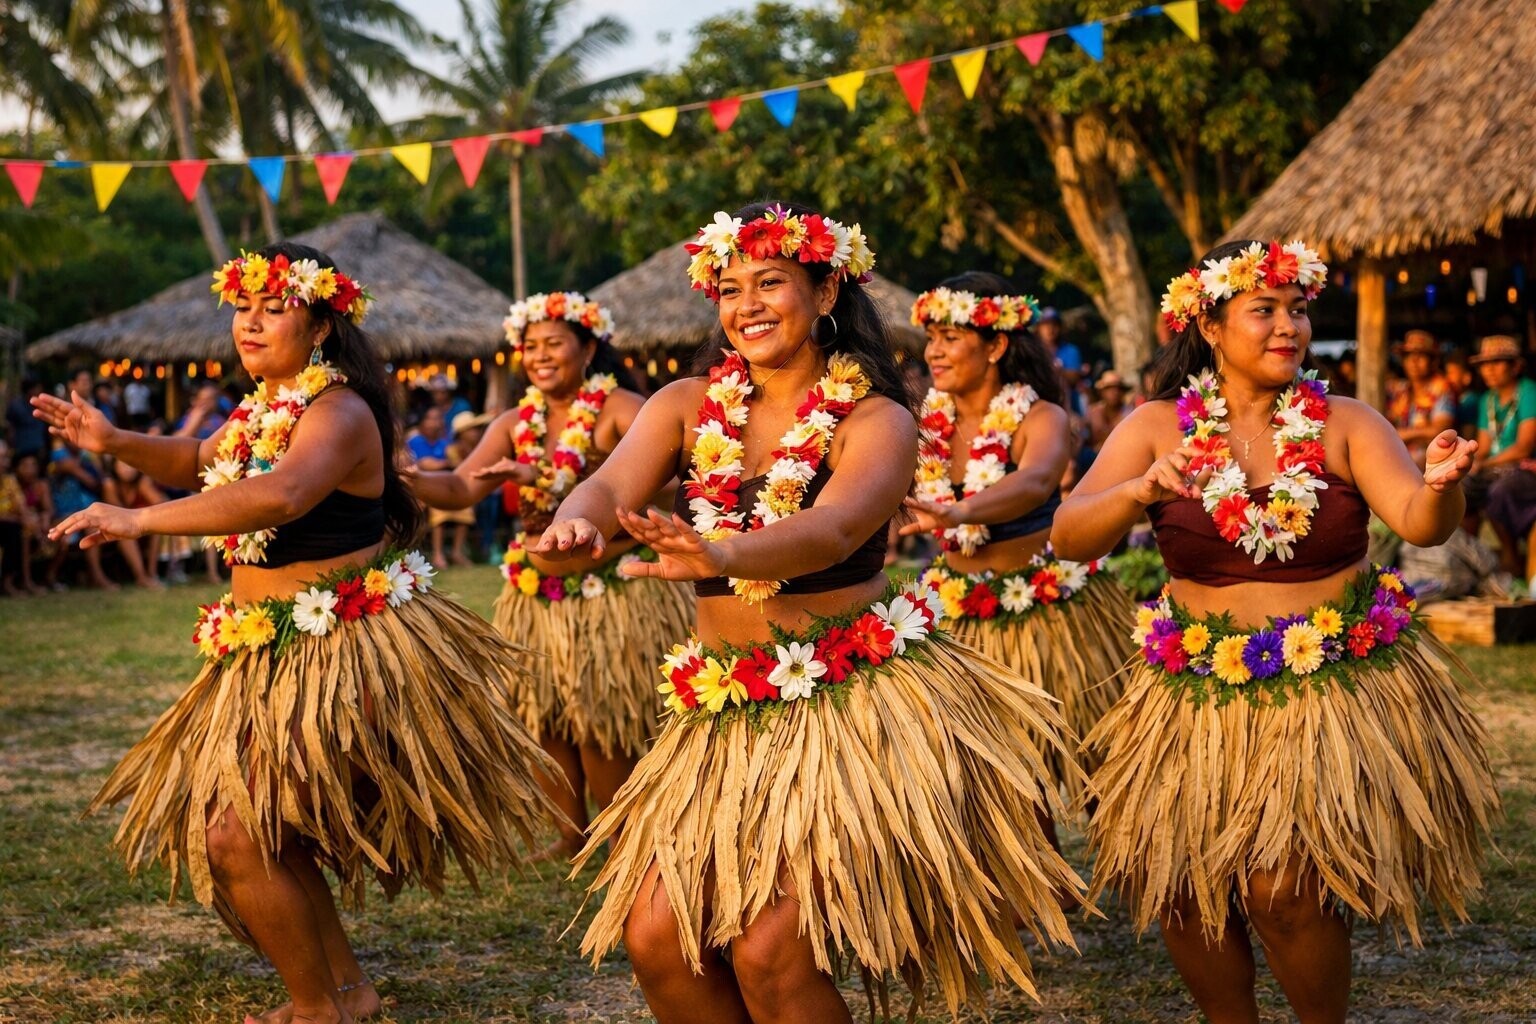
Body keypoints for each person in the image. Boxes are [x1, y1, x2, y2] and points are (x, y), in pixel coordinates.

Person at [544, 202, 1082, 1022]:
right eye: (730, 288)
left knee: (770, 950)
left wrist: (723, 555)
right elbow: (612, 482)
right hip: (723, 710)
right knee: (658, 938)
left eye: (771, 283)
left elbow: (831, 530)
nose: (746, 304)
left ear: (828, 291)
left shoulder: (879, 417)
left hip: (846, 705)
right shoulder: (687, 403)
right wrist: (576, 517)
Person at [34, 243, 558, 1024]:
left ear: (320, 326)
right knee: (261, 833)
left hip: (342, 655)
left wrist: (138, 517)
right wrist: (114, 444)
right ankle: (342, 992)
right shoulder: (261, 409)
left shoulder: (337, 411)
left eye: (274, 307)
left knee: (240, 837)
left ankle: (319, 1007)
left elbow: (282, 494)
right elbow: (195, 457)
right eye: (243, 307)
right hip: (265, 649)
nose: (250, 321)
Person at [1052, 239, 1498, 1024]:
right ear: (1212, 326)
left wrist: (1442, 487)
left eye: (1298, 309)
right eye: (1264, 310)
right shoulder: (1157, 427)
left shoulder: (1346, 423)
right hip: (1192, 695)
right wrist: (1136, 490)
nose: (1288, 326)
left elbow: (1421, 524)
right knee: (1185, 887)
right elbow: (1070, 535)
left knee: (1284, 891)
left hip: (1322, 693)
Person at [410, 290, 693, 864]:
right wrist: (399, 476)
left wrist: (562, 476)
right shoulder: (516, 421)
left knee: (600, 719)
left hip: (611, 590)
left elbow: (674, 482)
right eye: (530, 346)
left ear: (588, 347)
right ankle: (570, 836)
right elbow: (464, 487)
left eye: (554, 344)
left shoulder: (620, 408)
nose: (539, 356)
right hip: (535, 594)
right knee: (547, 717)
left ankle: (622, 840)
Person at [903, 273, 1133, 839]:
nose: (934, 350)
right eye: (930, 336)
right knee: (1002, 768)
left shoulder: (1041, 417)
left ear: (996, 344)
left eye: (951, 337)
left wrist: (961, 512)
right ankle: (1045, 873)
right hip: (964, 620)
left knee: (1096, 753)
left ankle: (1127, 854)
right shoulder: (922, 427)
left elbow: (1036, 482)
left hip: (1057, 611)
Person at [1469, 335, 1536, 582]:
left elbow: (1524, 448)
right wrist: (1469, 463)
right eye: (1485, 364)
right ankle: (1469, 561)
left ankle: (1511, 557)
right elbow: (1483, 446)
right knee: (1463, 488)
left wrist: (1484, 464)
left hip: (1523, 468)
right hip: (1495, 467)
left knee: (1498, 490)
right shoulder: (1487, 399)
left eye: (1497, 362)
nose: (1489, 370)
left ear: (1515, 366)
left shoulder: (1528, 391)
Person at [1385, 330, 1456, 466]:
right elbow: (1388, 420)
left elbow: (1440, 430)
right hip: (1400, 453)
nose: (1414, 361)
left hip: (1431, 458)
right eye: (1409, 356)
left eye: (1421, 356)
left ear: (1433, 362)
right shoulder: (1402, 390)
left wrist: (1402, 434)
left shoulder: (1442, 388)